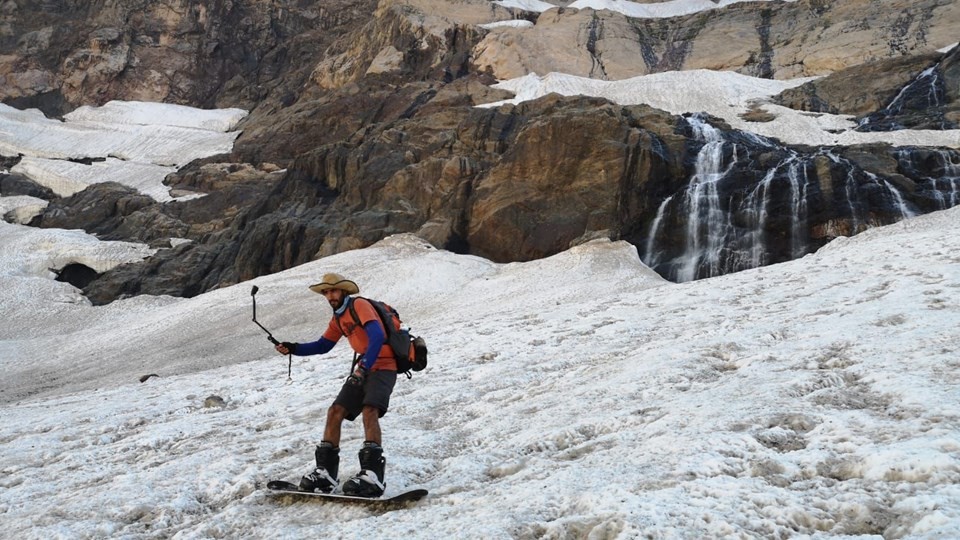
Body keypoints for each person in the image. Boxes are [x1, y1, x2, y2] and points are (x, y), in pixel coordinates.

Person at [274, 272, 399, 497]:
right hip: (364, 368)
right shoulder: (338, 318)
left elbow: (378, 336)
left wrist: (363, 367)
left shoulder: (359, 305)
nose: (330, 295)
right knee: (335, 411)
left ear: (343, 291)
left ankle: (372, 477)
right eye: (326, 292)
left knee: (370, 410)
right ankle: (325, 474)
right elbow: (323, 345)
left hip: (384, 365)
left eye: (334, 290)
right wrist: (292, 347)